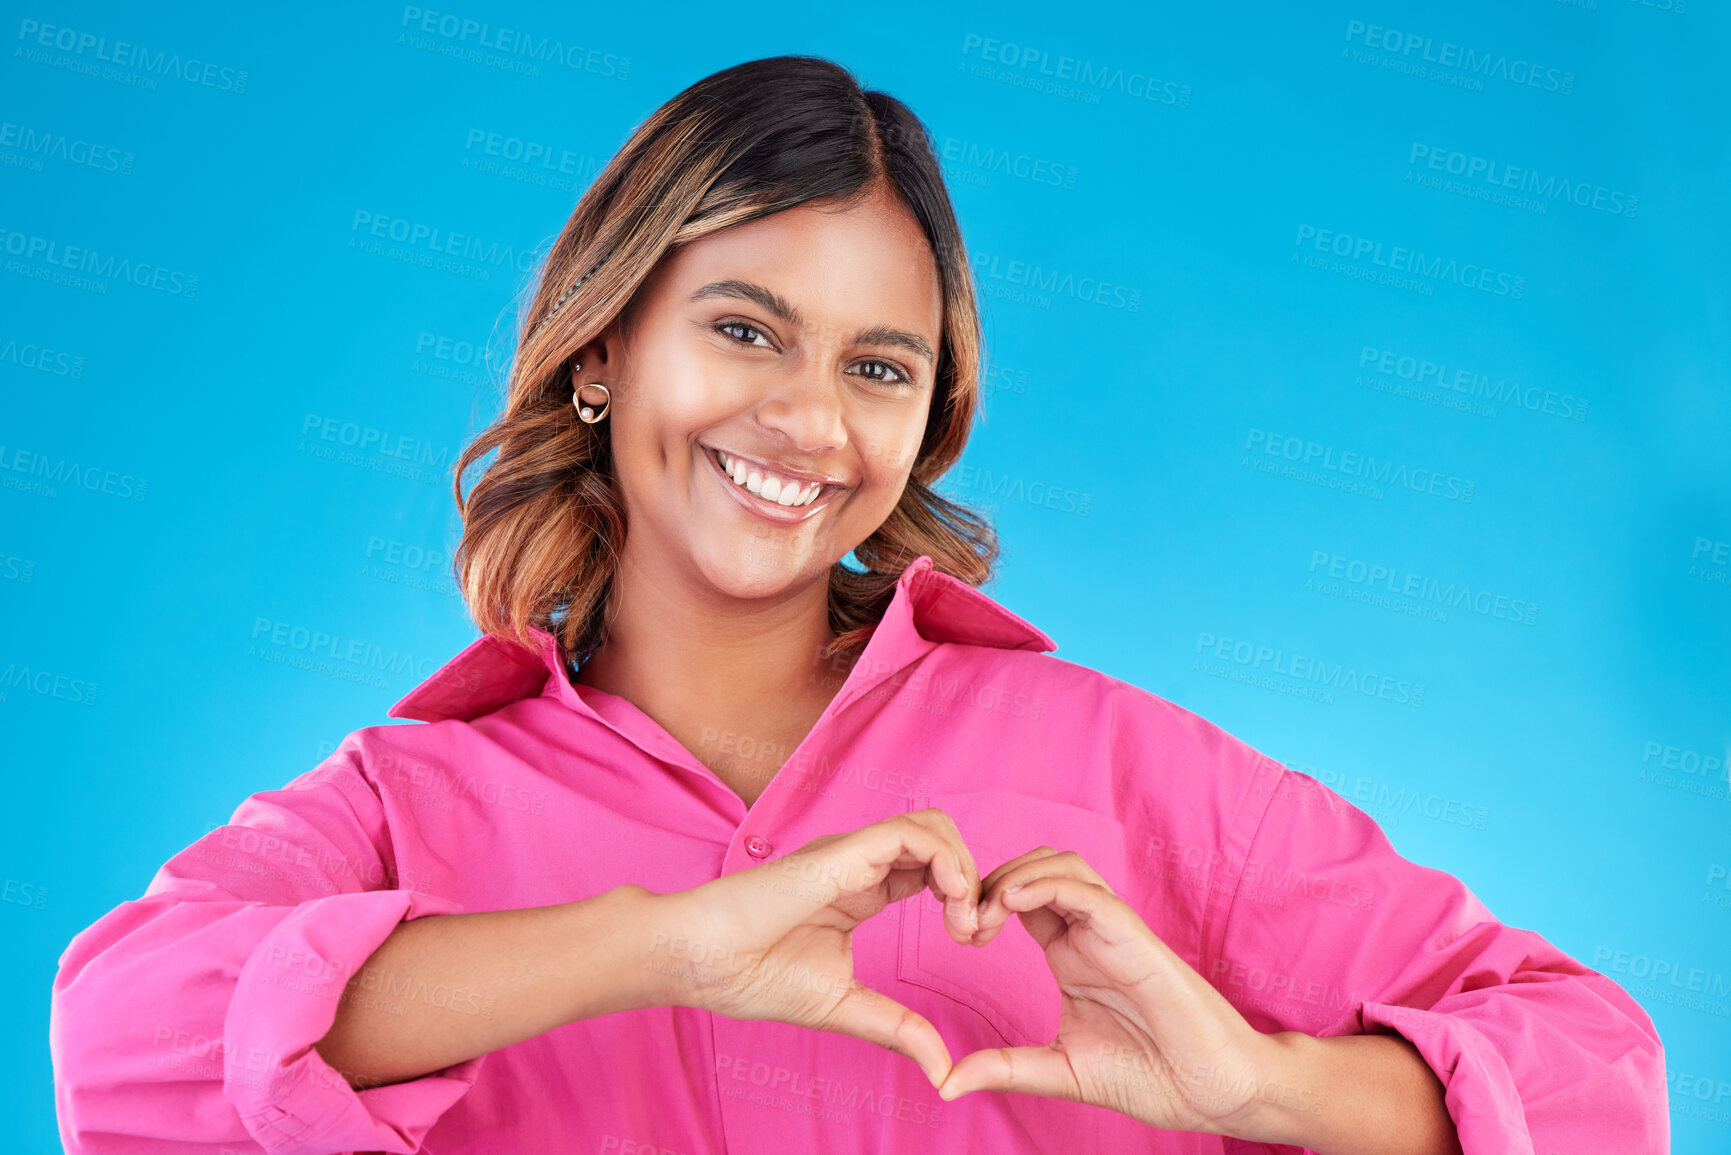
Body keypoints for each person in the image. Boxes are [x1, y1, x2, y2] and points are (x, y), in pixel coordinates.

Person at [49, 55, 1665, 1155]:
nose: (810, 426)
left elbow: (1597, 1072)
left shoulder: (1110, 765)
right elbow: (119, 1048)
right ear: (604, 351)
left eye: (876, 367)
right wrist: (661, 946)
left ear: (926, 417)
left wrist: (1267, 1082)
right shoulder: (408, 804)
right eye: (745, 331)